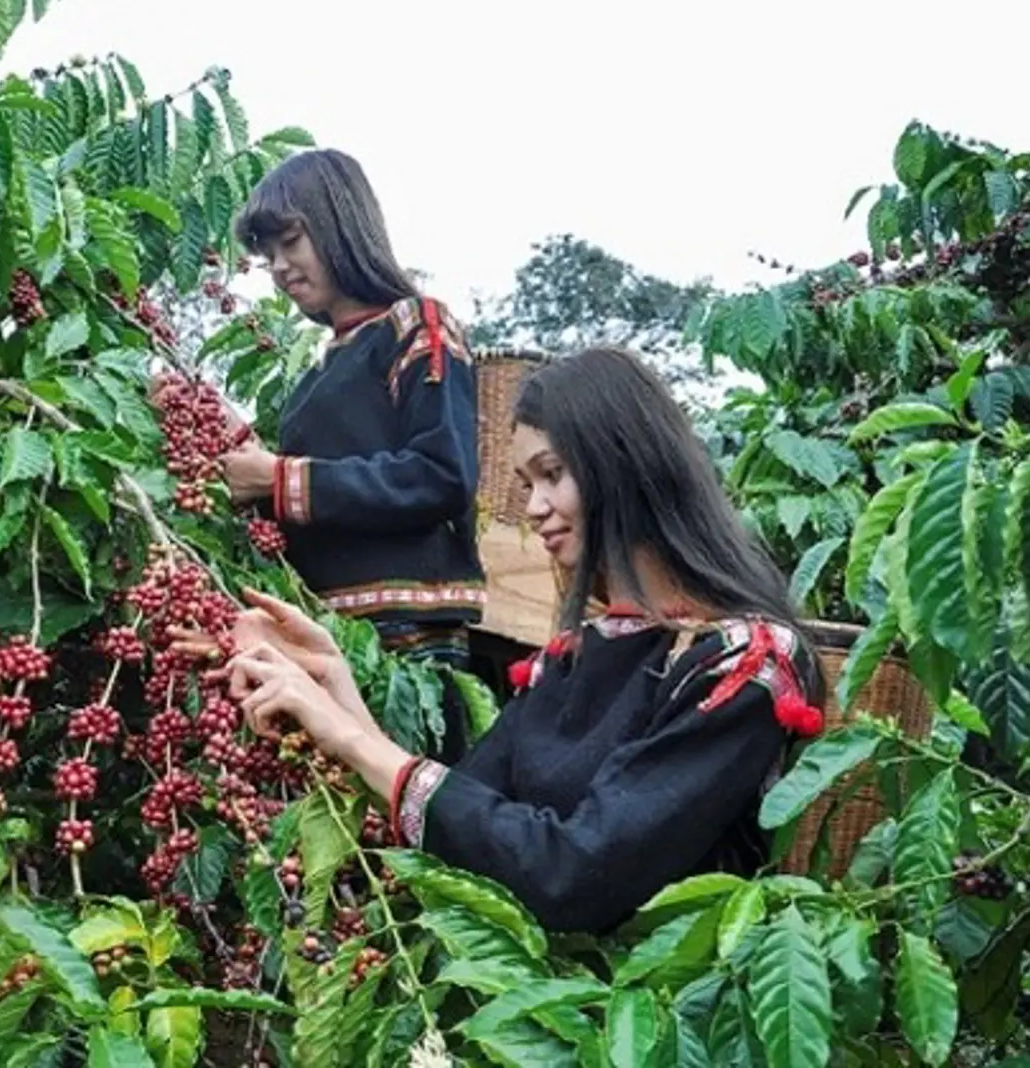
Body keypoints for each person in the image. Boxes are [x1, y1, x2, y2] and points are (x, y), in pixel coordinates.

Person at [210, 348, 829, 935]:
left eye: (552, 475)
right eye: (526, 482)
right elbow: (470, 819)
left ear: (626, 463)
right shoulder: (582, 653)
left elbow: (574, 873)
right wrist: (333, 683)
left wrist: (345, 734)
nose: (533, 506)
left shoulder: (744, 664)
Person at [218, 149, 485, 760]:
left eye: (290, 242)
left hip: (407, 653)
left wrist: (278, 480)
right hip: (322, 641)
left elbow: (444, 475)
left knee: (407, 822)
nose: (280, 267)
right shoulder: (320, 371)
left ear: (340, 224)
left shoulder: (418, 326)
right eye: (268, 257)